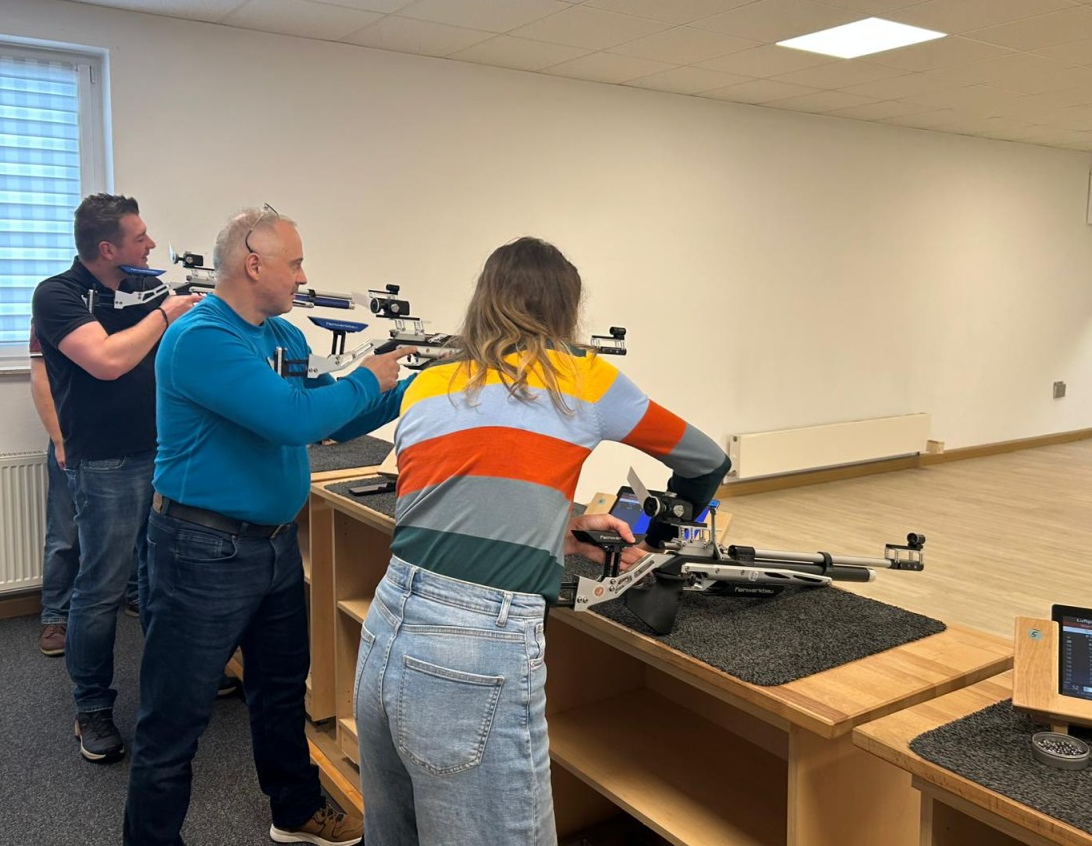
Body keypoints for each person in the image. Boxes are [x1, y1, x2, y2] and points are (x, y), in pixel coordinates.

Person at [354, 237, 732, 846]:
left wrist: (562, 529)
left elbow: (457, 506)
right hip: (478, 647)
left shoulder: (428, 383)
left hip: (387, 625)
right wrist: (663, 533)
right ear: (566, 309)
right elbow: (708, 461)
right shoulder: (584, 378)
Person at [123, 206, 410, 846]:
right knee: (174, 718)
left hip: (272, 546)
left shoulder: (284, 337)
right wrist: (369, 377)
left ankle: (295, 810)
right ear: (254, 264)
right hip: (201, 550)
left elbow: (329, 420)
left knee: (281, 692)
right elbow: (291, 419)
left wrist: (407, 388)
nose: (304, 277)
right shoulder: (201, 338)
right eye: (296, 263)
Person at [32, 193, 201, 763]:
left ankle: (169, 684)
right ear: (107, 249)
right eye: (140, 237)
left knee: (160, 579)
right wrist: (166, 314)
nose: (151, 244)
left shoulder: (144, 291)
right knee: (101, 589)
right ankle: (92, 707)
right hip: (104, 462)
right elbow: (107, 361)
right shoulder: (57, 295)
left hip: (165, 453)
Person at [28, 321, 81, 657]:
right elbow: (41, 377)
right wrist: (60, 440)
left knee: (140, 525)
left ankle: (135, 595)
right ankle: (55, 615)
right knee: (65, 531)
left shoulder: (141, 302)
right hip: (73, 433)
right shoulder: (55, 302)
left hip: (132, 434)